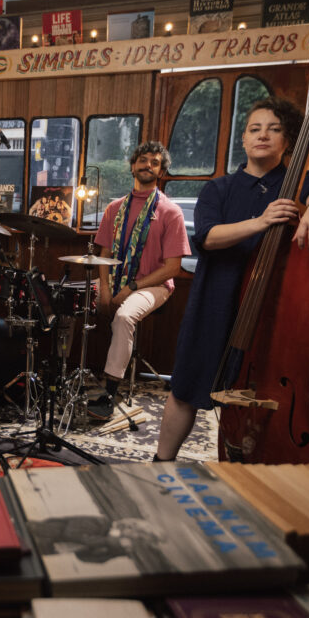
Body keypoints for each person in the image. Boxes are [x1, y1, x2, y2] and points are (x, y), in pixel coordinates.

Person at [154, 97, 309, 461]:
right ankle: (161, 462)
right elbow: (208, 237)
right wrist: (262, 221)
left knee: (260, 395)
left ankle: (249, 467)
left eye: (274, 129)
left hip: (272, 312)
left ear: (287, 140)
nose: (263, 135)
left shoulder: (298, 183)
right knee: (185, 388)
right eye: (255, 129)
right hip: (215, 302)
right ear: (244, 139)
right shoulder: (219, 188)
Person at [90, 142, 190, 421]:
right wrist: (106, 289)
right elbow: (104, 254)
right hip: (114, 280)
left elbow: (172, 268)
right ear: (133, 166)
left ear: (161, 171)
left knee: (124, 317)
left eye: (155, 162)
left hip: (154, 285)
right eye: (143, 160)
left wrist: (130, 288)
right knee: (67, 299)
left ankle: (109, 393)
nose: (148, 165)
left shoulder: (170, 211)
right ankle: (61, 376)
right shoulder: (114, 208)